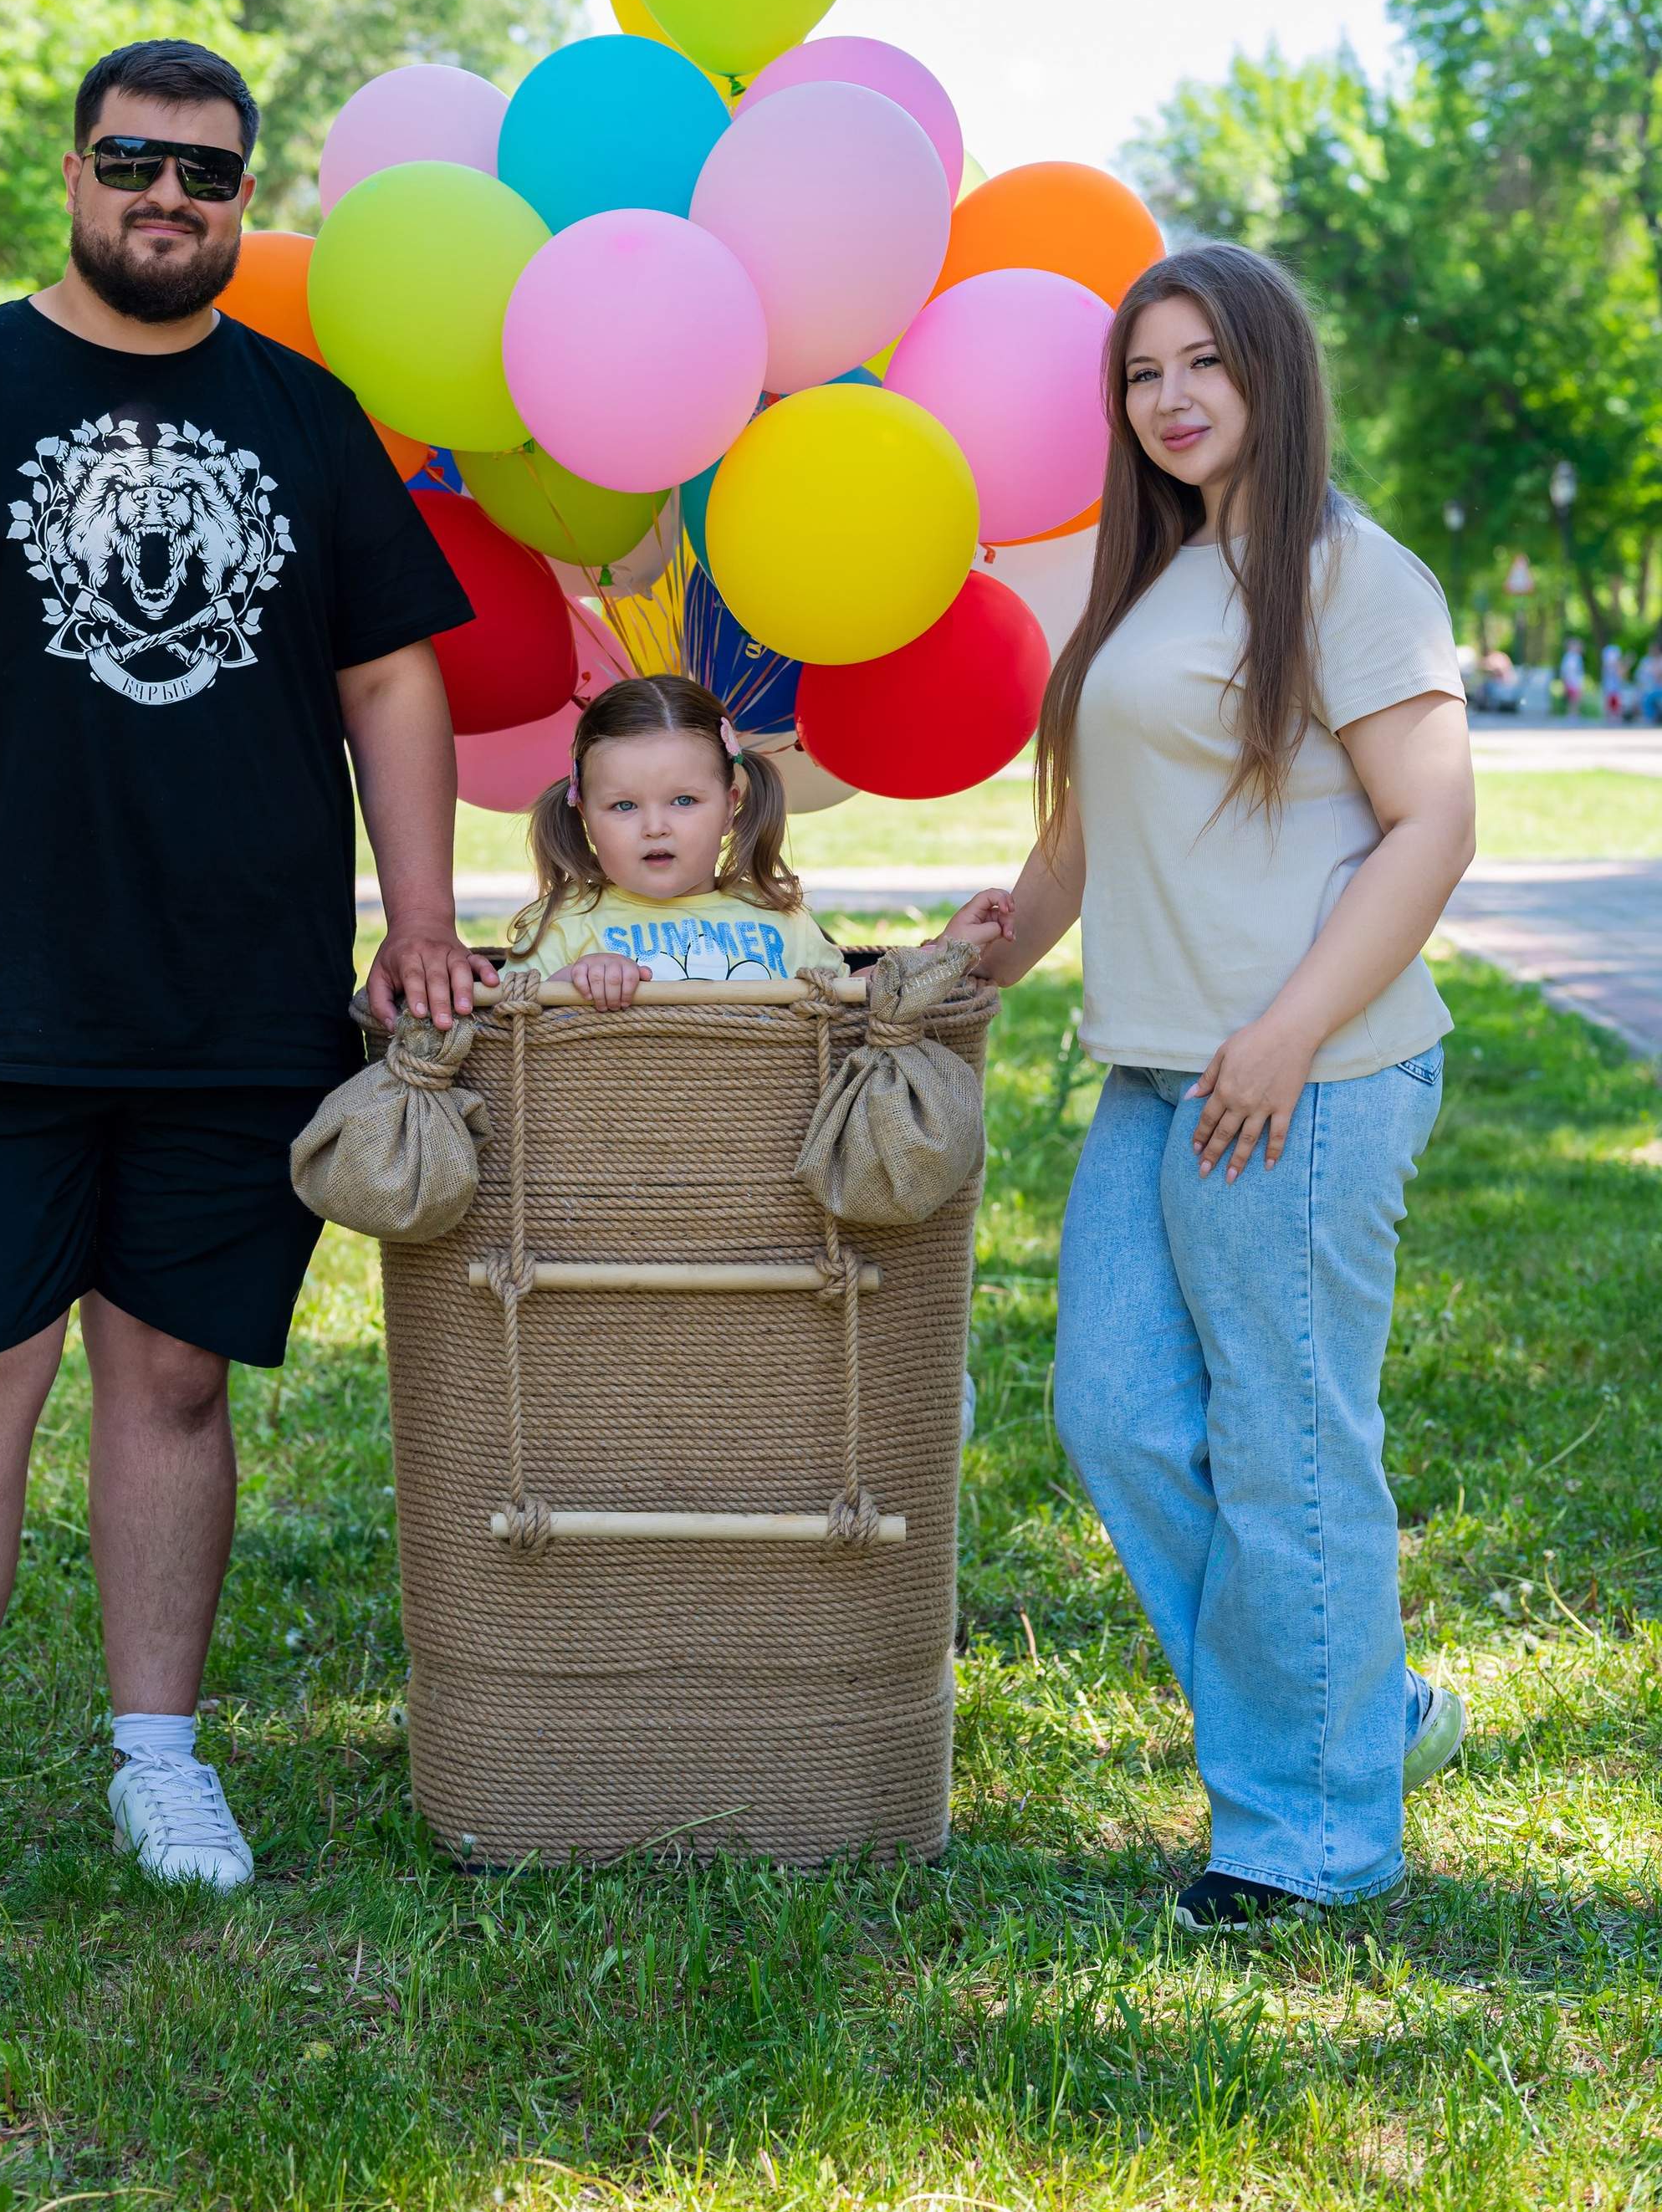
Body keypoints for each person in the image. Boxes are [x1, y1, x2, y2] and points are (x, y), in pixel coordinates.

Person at [0, 38, 488, 1954]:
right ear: (72, 167)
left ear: (244, 201)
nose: (169, 195)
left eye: (208, 173)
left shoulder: (304, 417)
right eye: (135, 160)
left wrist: (419, 910)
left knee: (169, 1380)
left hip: (233, 1005)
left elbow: (391, 677)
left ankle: (157, 1748)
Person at [978, 243, 1475, 1932]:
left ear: (1271, 372)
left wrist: (1280, 1032)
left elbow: (1431, 824)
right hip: (1153, 1072)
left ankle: (1311, 1832)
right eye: (1141, 373)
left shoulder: (1350, 573)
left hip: (1305, 1074)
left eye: (1203, 362)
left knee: (1284, 1450)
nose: (1170, 397)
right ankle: (1350, 1707)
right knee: (1115, 1417)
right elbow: (1089, 824)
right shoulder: (1160, 569)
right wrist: (994, 943)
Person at [503, 672, 1010, 1004]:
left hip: (762, 1156)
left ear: (730, 807)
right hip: (614, 1150)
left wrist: (941, 952)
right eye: (623, 806)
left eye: (683, 801)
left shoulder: (779, 919)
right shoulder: (562, 927)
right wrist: (568, 984)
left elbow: (849, 1003)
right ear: (584, 815)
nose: (654, 826)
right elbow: (502, 1033)